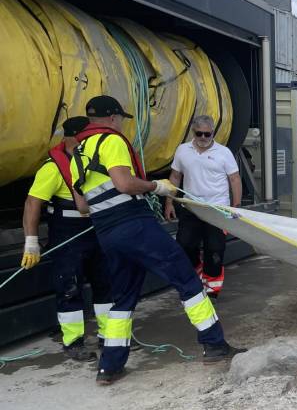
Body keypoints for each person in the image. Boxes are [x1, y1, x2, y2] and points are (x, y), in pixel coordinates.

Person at [70, 95, 244, 385]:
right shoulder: (111, 141)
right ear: (113, 119)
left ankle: (109, 367)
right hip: (133, 224)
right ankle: (214, 344)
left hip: (106, 232)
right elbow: (125, 183)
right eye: (121, 119)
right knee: (186, 277)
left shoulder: (78, 153)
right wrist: (156, 187)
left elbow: (82, 206)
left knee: (123, 298)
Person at [21, 116, 112, 361]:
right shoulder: (53, 168)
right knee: (69, 285)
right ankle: (73, 341)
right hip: (67, 231)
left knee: (105, 282)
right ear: (74, 137)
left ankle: (110, 336)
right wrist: (31, 242)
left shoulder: (94, 160)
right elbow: (33, 203)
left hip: (97, 227)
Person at [164, 115, 241, 298]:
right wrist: (169, 202)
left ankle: (212, 288)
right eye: (200, 134)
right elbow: (175, 177)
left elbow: (234, 179)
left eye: (208, 134)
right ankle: (197, 271)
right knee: (184, 245)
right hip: (192, 207)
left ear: (213, 133)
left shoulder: (224, 153)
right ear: (193, 132)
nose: (204, 138)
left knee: (214, 250)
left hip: (217, 210)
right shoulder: (183, 151)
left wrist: (236, 206)